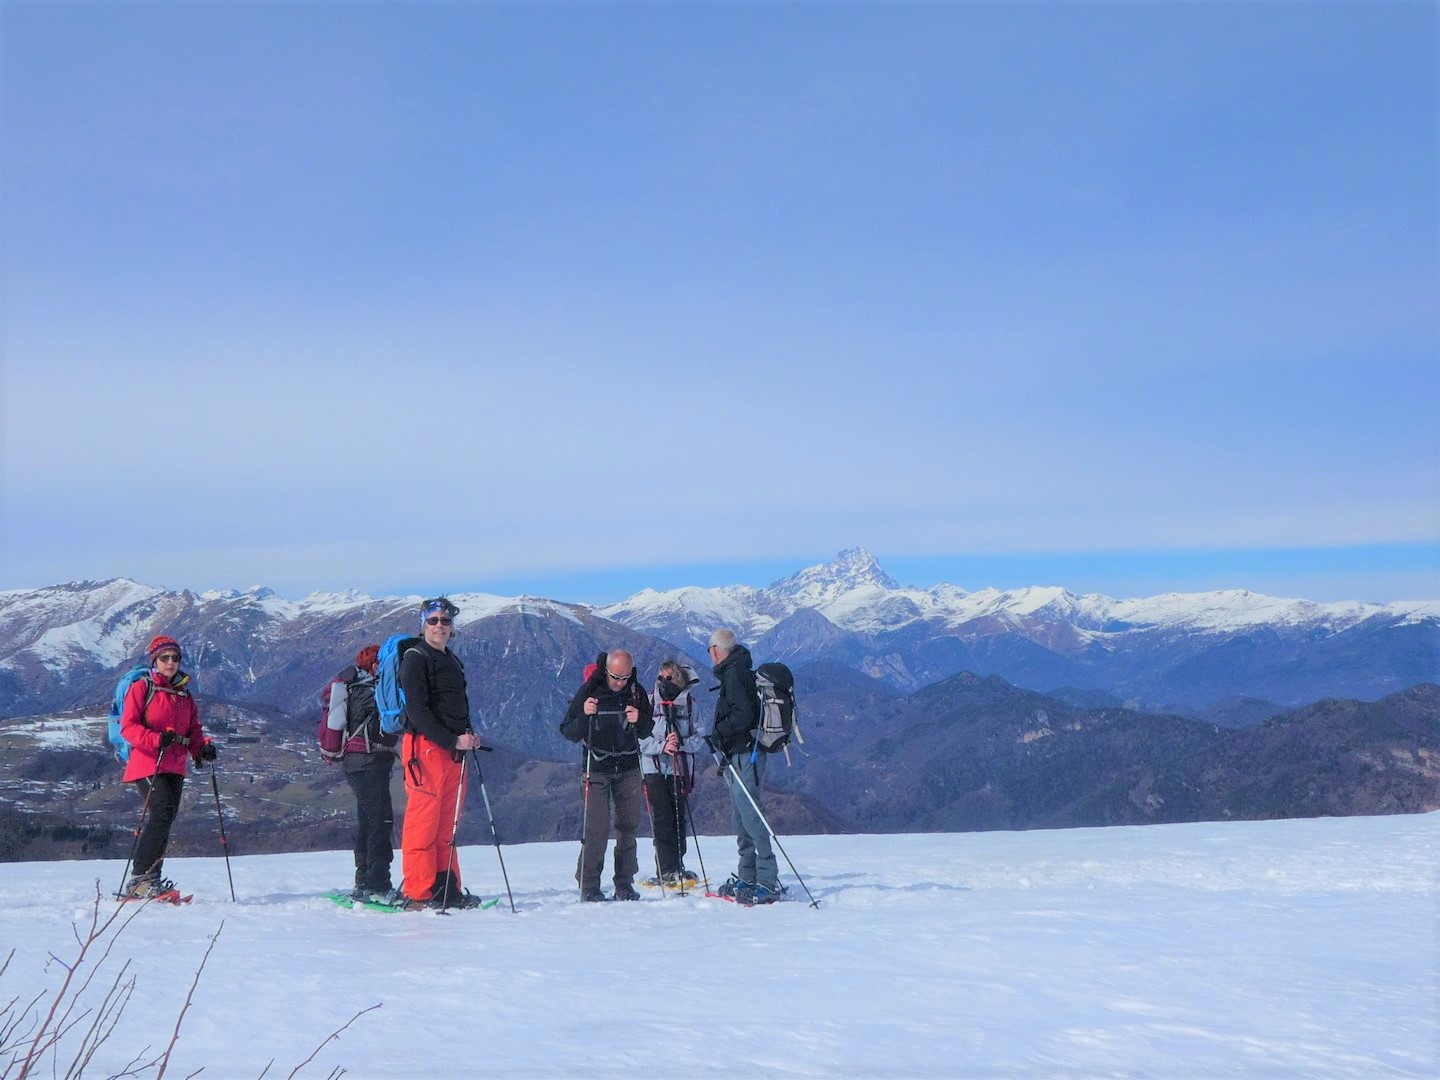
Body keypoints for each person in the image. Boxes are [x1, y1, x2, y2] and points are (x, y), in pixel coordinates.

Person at [398, 597, 483, 909]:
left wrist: (467, 735)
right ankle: (418, 894)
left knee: (447, 824)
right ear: (423, 624)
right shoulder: (415, 658)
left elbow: (454, 706)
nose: (439, 626)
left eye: (445, 621)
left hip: (451, 751)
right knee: (424, 822)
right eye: (433, 620)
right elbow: (417, 711)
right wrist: (452, 740)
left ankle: (446, 889)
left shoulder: (450, 659)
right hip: (426, 749)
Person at [119, 634, 216, 898]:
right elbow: (128, 726)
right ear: (155, 660)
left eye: (175, 658)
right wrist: (155, 739)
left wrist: (201, 748)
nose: (170, 662)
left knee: (166, 818)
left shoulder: (183, 693)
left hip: (174, 764)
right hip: (147, 762)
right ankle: (139, 880)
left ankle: (151, 879)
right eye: (165, 658)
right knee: (161, 813)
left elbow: (193, 729)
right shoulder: (142, 688)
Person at [559, 648, 654, 901]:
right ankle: (589, 885)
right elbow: (567, 730)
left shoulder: (635, 691)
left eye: (624, 678)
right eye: (615, 677)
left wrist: (640, 719)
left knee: (628, 826)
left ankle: (624, 883)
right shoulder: (590, 690)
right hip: (596, 767)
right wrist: (584, 715)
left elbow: (647, 730)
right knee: (596, 828)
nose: (619, 683)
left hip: (628, 767)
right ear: (606, 670)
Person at [707, 628, 782, 904]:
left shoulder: (734, 674)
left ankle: (766, 880)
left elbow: (743, 715)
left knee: (752, 815)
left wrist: (720, 732)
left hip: (744, 754)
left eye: (709, 651)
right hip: (738, 753)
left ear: (715, 650)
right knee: (742, 817)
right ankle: (747, 876)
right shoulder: (736, 670)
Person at [327, 644, 399, 902]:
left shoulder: (356, 688)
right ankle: (378, 884)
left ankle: (364, 881)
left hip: (361, 763)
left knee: (369, 822)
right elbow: (392, 718)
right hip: (367, 763)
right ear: (375, 665)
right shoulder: (369, 692)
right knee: (381, 822)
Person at [639, 660, 705, 888]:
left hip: (679, 769)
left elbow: (700, 736)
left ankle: (677, 866)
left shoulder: (689, 705)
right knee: (662, 819)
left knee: (678, 817)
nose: (664, 683)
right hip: (654, 769)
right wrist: (662, 746)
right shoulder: (647, 703)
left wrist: (682, 744)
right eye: (660, 678)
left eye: (669, 678)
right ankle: (666, 869)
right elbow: (639, 739)